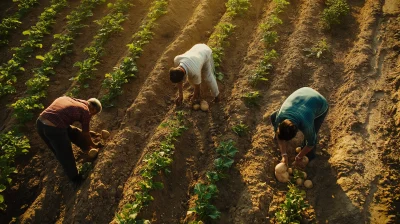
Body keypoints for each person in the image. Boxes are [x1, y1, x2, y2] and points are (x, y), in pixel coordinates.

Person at [36, 96, 102, 184]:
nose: (91, 116)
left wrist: (90, 132)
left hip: (40, 123)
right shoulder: (86, 111)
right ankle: (75, 178)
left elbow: (64, 121)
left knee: (72, 132)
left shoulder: (70, 99)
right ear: (93, 109)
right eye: (93, 114)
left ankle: (86, 148)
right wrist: (95, 145)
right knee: (65, 152)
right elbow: (86, 134)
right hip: (54, 128)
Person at [270, 87, 329, 166]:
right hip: (303, 93)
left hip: (319, 102)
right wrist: (284, 155)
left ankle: (310, 157)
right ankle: (281, 137)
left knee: (310, 138)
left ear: (297, 131)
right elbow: (276, 126)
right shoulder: (280, 116)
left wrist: (299, 156)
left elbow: (311, 143)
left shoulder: (306, 124)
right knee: (273, 117)